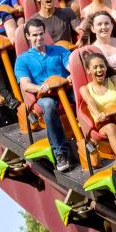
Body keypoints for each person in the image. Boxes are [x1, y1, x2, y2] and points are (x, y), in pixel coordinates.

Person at [15, 18, 78, 172]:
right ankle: (60, 152)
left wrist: (72, 75)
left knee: (82, 97)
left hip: (65, 89)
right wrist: (39, 88)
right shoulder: (23, 59)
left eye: (41, 34)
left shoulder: (59, 51)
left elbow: (71, 66)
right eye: (34, 35)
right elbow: (25, 84)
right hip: (44, 95)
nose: (39, 38)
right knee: (49, 106)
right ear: (28, 37)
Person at [77, 51, 116, 186]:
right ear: (88, 70)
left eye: (102, 66)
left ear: (106, 67)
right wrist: (98, 114)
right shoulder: (85, 89)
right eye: (95, 67)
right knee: (111, 128)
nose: (99, 70)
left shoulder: (114, 80)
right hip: (103, 123)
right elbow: (90, 102)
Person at [84, 11, 116, 75]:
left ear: (112, 26)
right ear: (93, 28)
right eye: (99, 24)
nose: (104, 27)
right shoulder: (92, 49)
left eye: (107, 23)